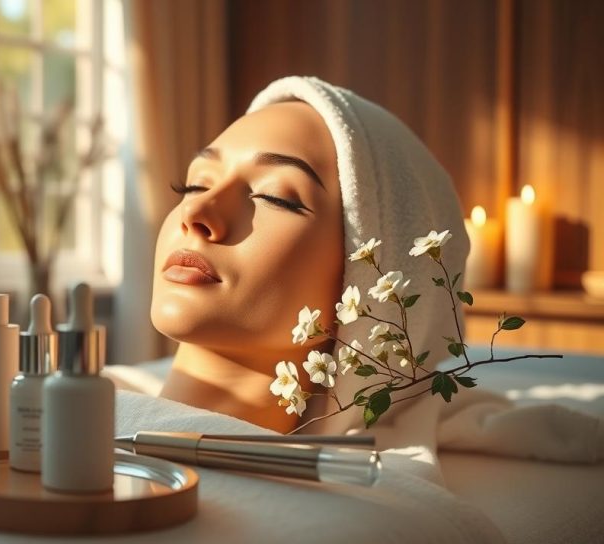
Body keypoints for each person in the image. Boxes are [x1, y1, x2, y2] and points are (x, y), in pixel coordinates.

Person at [149, 75, 469, 439]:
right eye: (195, 184)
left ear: (366, 288)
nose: (197, 213)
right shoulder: (83, 421)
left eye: (275, 197)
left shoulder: (347, 493)